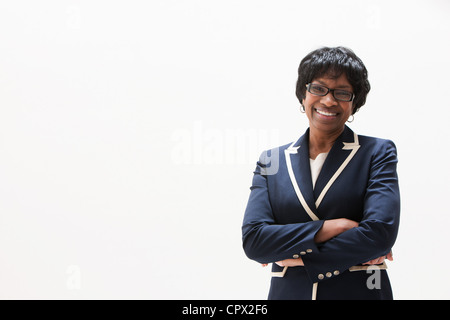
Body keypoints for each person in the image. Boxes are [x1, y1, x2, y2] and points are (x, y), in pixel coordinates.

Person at [242, 46, 400, 300]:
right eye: (318, 88)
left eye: (342, 92)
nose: (328, 100)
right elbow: (255, 241)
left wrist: (303, 259)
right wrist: (332, 227)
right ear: (302, 95)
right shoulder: (271, 160)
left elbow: (379, 234)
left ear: (354, 102)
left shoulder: (377, 152)